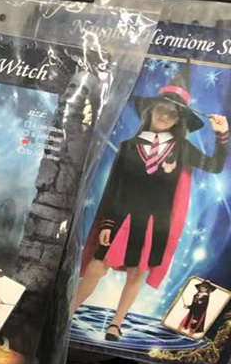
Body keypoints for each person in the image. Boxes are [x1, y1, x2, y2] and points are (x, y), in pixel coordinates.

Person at [74, 82, 228, 341]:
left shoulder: (182, 149)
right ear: (151, 109)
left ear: (178, 120)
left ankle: (116, 324)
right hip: (121, 219)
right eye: (162, 109)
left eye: (173, 113)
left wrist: (221, 136)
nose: (165, 116)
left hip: (155, 224)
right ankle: (68, 312)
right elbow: (115, 189)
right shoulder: (128, 147)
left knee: (136, 273)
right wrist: (108, 224)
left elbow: (214, 165)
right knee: (96, 268)